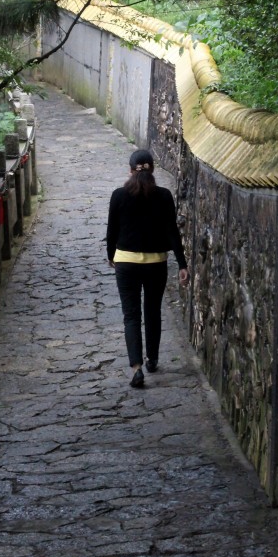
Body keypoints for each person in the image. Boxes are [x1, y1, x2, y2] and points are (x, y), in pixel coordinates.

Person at [106, 149, 189, 388]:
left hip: (126, 262)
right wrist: (182, 264)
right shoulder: (163, 196)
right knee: (152, 311)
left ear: (130, 170)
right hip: (156, 263)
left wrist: (111, 256)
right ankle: (152, 358)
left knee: (131, 315)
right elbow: (172, 232)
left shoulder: (118, 195)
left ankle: (136, 369)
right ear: (153, 169)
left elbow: (112, 231)